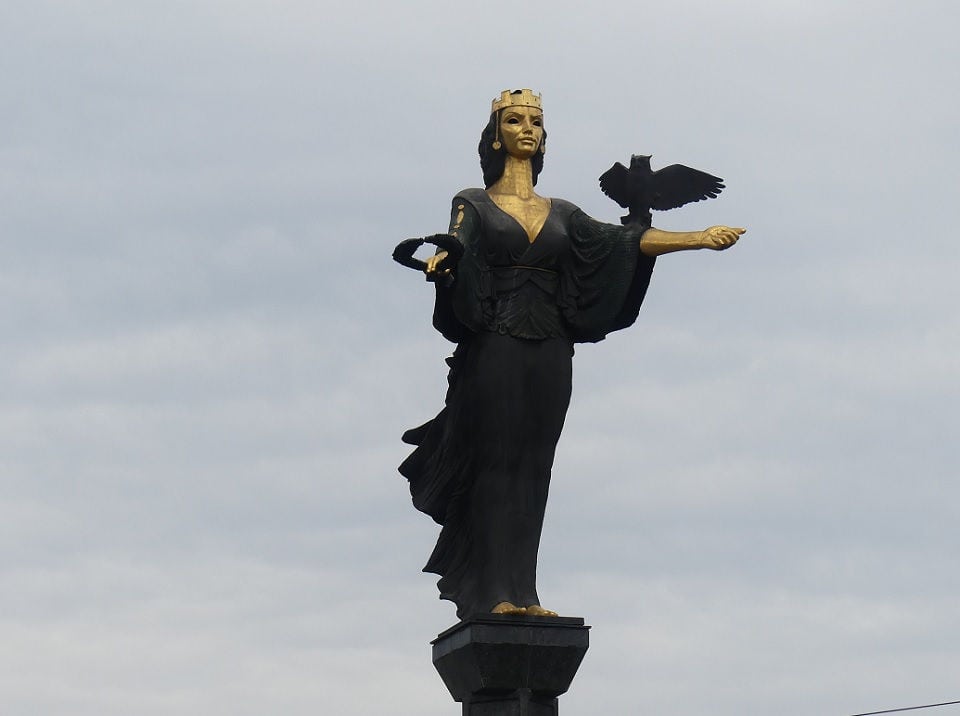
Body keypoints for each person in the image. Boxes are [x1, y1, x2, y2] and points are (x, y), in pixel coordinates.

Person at [399, 89, 744, 620]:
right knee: (497, 461)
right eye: (515, 120)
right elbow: (457, 241)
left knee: (535, 467)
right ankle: (492, 592)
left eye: (536, 122)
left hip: (551, 344)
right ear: (496, 136)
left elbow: (624, 242)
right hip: (496, 339)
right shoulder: (473, 200)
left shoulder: (563, 212)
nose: (527, 128)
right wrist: (442, 261)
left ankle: (525, 593)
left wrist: (698, 237)